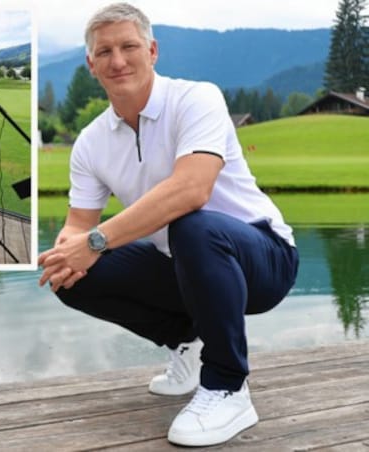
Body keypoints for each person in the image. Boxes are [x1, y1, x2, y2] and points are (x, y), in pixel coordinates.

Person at [37, 3, 298, 447]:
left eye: (129, 46)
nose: (118, 61)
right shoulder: (90, 142)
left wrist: (96, 241)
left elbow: (192, 189)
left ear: (152, 50)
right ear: (91, 64)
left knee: (192, 226)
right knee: (69, 275)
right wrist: (67, 251)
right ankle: (189, 344)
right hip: (180, 265)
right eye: (105, 52)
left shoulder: (196, 97)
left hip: (262, 257)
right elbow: (77, 226)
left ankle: (228, 385)